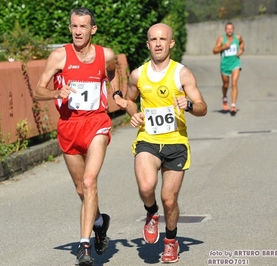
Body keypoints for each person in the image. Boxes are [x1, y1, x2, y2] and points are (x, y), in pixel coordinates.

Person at [34, 7, 124, 266]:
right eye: (74, 26)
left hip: (96, 122)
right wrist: (56, 93)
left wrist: (115, 95)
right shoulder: (59, 56)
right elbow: (39, 90)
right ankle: (99, 222)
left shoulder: (105, 54)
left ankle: (84, 247)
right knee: (80, 189)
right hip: (69, 126)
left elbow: (113, 73)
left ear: (92, 29)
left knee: (88, 181)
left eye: (83, 26)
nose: (77, 31)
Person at [121, 23, 207, 263]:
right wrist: (133, 113)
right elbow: (129, 101)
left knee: (169, 200)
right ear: (148, 44)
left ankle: (170, 241)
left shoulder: (182, 73)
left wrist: (189, 105)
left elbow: (202, 107)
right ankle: (151, 213)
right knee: (147, 186)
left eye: (162, 39)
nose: (157, 43)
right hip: (147, 139)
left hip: (176, 142)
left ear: (171, 43)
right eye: (153, 39)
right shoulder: (138, 74)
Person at [213, 22, 245, 115]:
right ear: (225, 30)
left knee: (234, 83)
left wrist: (241, 50)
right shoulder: (221, 39)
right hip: (224, 65)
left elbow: (242, 43)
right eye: (228, 29)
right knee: (226, 85)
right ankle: (224, 97)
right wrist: (224, 46)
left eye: (231, 29)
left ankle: (233, 105)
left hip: (235, 63)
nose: (229, 30)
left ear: (233, 29)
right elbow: (214, 50)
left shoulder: (238, 37)